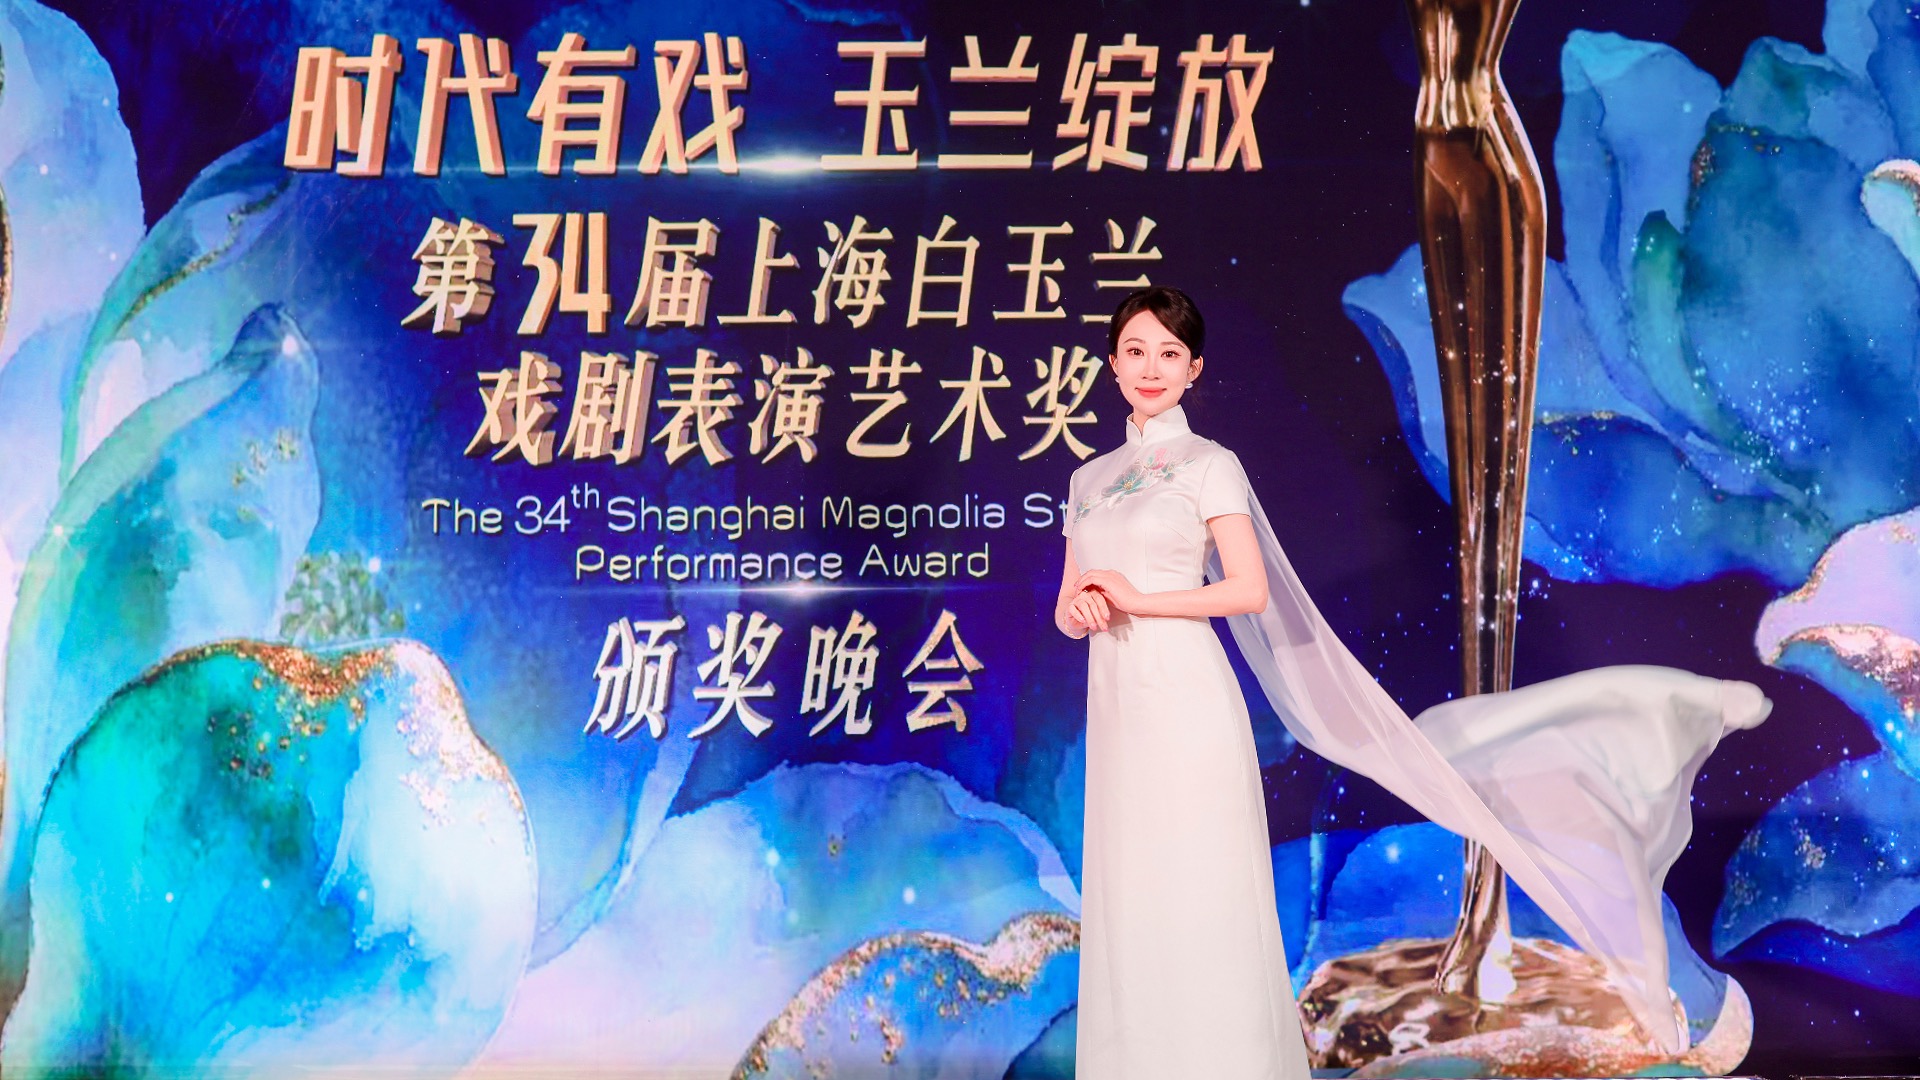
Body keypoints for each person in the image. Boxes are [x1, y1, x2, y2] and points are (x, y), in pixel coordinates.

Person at [1055, 286, 1772, 1078]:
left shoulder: (1208, 466)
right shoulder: (1089, 480)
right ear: (1112, 363)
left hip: (1187, 696)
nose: (1150, 368)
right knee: (1130, 882)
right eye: (1135, 352)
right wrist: (1085, 611)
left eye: (1168, 354)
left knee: (1197, 878)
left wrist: (1138, 599)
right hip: (1118, 703)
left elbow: (1247, 590)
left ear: (1194, 369)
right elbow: (1066, 605)